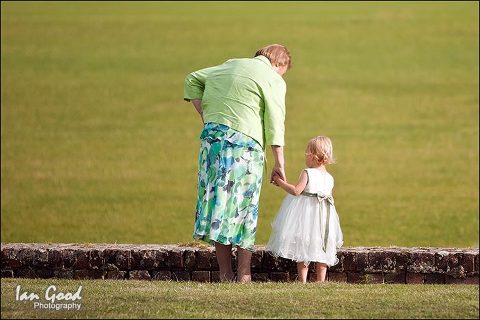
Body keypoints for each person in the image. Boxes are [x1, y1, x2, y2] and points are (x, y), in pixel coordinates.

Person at [183, 44, 292, 283]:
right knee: (244, 207)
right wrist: (279, 162)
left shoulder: (230, 64)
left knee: (219, 205)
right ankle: (244, 274)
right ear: (279, 64)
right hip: (244, 146)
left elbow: (192, 79)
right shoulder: (273, 78)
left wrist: (206, 114)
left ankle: (225, 274)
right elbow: (275, 121)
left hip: (212, 142)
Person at [266, 136, 343, 283]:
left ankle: (303, 280)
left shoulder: (307, 172)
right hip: (324, 217)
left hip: (307, 215)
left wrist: (279, 181)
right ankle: (321, 281)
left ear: (313, 157)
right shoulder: (329, 177)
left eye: (306, 154)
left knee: (303, 244)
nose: (305, 158)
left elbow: (296, 191)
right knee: (322, 246)